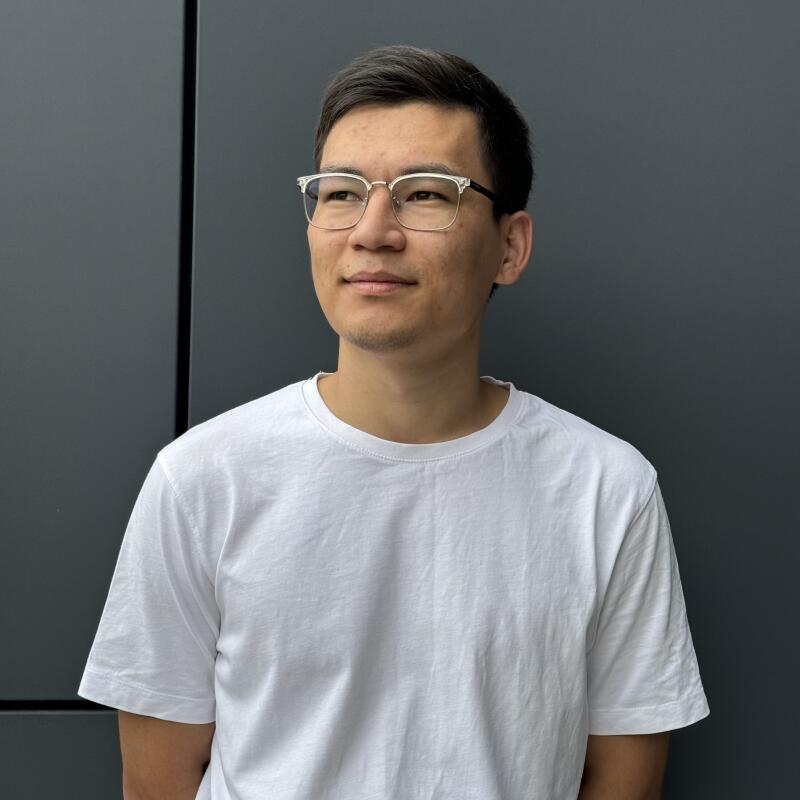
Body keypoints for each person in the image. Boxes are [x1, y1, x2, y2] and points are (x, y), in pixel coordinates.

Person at [78, 44, 710, 799]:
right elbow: (157, 783)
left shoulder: (607, 490)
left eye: (425, 194)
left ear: (510, 247)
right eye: (341, 192)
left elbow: (623, 782)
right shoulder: (201, 479)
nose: (371, 230)